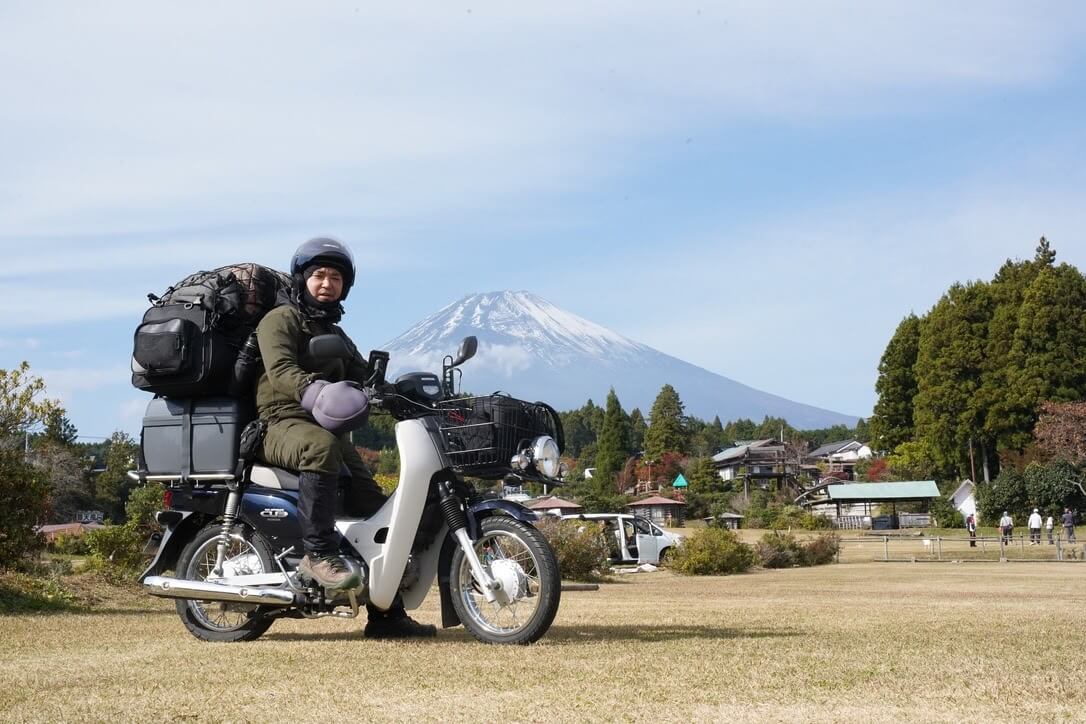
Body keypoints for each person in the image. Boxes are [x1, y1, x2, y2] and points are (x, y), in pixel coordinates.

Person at [256, 237, 435, 639]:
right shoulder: (280, 320)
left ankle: (387, 615)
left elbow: (363, 375)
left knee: (375, 510)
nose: (326, 283)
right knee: (319, 446)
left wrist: (401, 395)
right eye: (318, 274)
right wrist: (315, 390)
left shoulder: (333, 331)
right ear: (302, 279)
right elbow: (282, 370)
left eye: (335, 277)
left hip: (330, 432)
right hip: (281, 421)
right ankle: (317, 554)